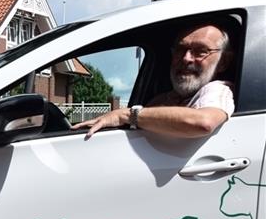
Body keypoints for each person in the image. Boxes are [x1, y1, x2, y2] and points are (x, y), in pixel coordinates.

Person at [73, 22, 235, 139]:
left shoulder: (217, 90)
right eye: (180, 50)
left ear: (223, 62)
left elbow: (204, 122)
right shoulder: (164, 98)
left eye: (200, 52)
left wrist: (126, 115)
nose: (186, 58)